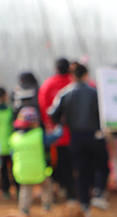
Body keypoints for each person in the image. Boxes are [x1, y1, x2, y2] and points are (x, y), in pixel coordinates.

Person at [48, 62, 109, 215]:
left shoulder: (65, 93)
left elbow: (52, 113)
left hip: (75, 137)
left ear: (71, 76)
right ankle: (98, 193)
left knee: (82, 172)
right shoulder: (94, 92)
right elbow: (104, 113)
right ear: (86, 75)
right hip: (95, 136)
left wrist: (63, 123)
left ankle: (84, 205)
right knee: (102, 166)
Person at [8, 106, 61, 214]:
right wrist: (60, 126)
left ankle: (24, 210)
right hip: (39, 170)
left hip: (21, 171)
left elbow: (12, 154)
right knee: (47, 185)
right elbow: (54, 137)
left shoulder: (14, 138)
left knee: (25, 190)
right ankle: (47, 206)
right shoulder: (39, 135)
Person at [38, 58, 74, 202]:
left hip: (56, 136)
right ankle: (72, 192)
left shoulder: (48, 85)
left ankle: (59, 189)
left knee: (57, 164)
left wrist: (50, 126)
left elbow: (43, 108)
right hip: (74, 134)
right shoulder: (74, 83)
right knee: (73, 165)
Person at [0, 87, 15, 201]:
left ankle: (6, 192)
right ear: (5, 95)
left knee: (3, 171)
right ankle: (19, 191)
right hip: (11, 144)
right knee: (14, 170)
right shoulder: (10, 110)